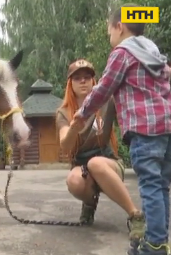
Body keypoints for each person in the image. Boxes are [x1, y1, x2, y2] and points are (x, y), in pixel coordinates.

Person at [73, 3, 171, 255]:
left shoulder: (122, 53)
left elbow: (104, 88)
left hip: (144, 131)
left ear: (120, 27)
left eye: (109, 32)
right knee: (160, 186)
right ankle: (158, 240)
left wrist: (82, 113)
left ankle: (155, 247)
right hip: (166, 130)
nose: (110, 38)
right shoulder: (155, 54)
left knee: (150, 185)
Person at [56, 58, 145, 240]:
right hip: (82, 170)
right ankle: (89, 202)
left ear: (93, 81)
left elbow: (130, 103)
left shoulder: (107, 101)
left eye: (87, 77)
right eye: (77, 77)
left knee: (95, 163)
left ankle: (135, 215)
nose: (83, 81)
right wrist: (74, 127)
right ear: (70, 83)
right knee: (73, 180)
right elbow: (65, 146)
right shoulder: (63, 113)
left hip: (109, 163)